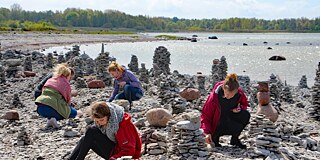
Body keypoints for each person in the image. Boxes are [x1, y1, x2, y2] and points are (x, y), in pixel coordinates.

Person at [68, 101, 142, 160]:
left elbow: (129, 150)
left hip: (121, 155)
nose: (99, 123)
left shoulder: (123, 124)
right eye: (97, 121)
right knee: (85, 138)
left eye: (101, 120)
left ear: (109, 116)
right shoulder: (106, 123)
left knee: (92, 130)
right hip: (114, 149)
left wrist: (114, 158)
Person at [200, 73, 250, 149]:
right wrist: (206, 132)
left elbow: (245, 104)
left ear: (236, 91)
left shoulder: (239, 93)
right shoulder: (213, 98)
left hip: (229, 118)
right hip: (217, 123)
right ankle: (215, 138)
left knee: (245, 115)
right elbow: (205, 116)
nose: (229, 97)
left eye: (232, 95)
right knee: (217, 123)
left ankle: (235, 139)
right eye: (227, 94)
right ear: (223, 88)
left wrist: (239, 109)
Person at [35, 63, 82, 128]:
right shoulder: (65, 83)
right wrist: (71, 107)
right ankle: (54, 119)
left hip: (40, 108)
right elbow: (67, 100)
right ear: (68, 75)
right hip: (51, 107)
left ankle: (50, 120)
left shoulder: (50, 80)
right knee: (76, 113)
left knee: (55, 108)